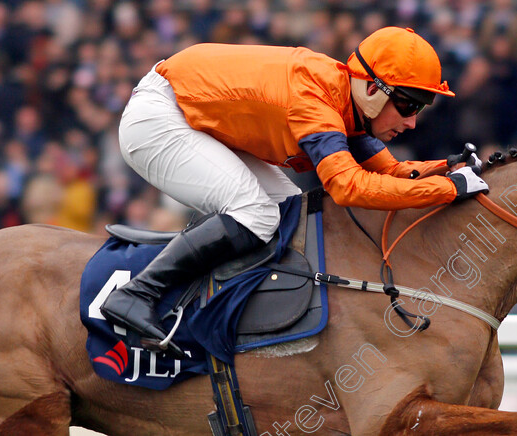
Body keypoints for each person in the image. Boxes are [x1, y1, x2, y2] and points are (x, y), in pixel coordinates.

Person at [99, 27, 488, 358]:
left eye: (423, 105)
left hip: (192, 111)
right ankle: (138, 294)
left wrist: (443, 168)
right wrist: (447, 190)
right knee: (258, 215)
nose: (412, 121)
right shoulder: (316, 103)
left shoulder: (346, 99)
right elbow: (348, 187)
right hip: (160, 117)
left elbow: (391, 171)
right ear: (372, 88)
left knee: (290, 212)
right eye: (407, 103)